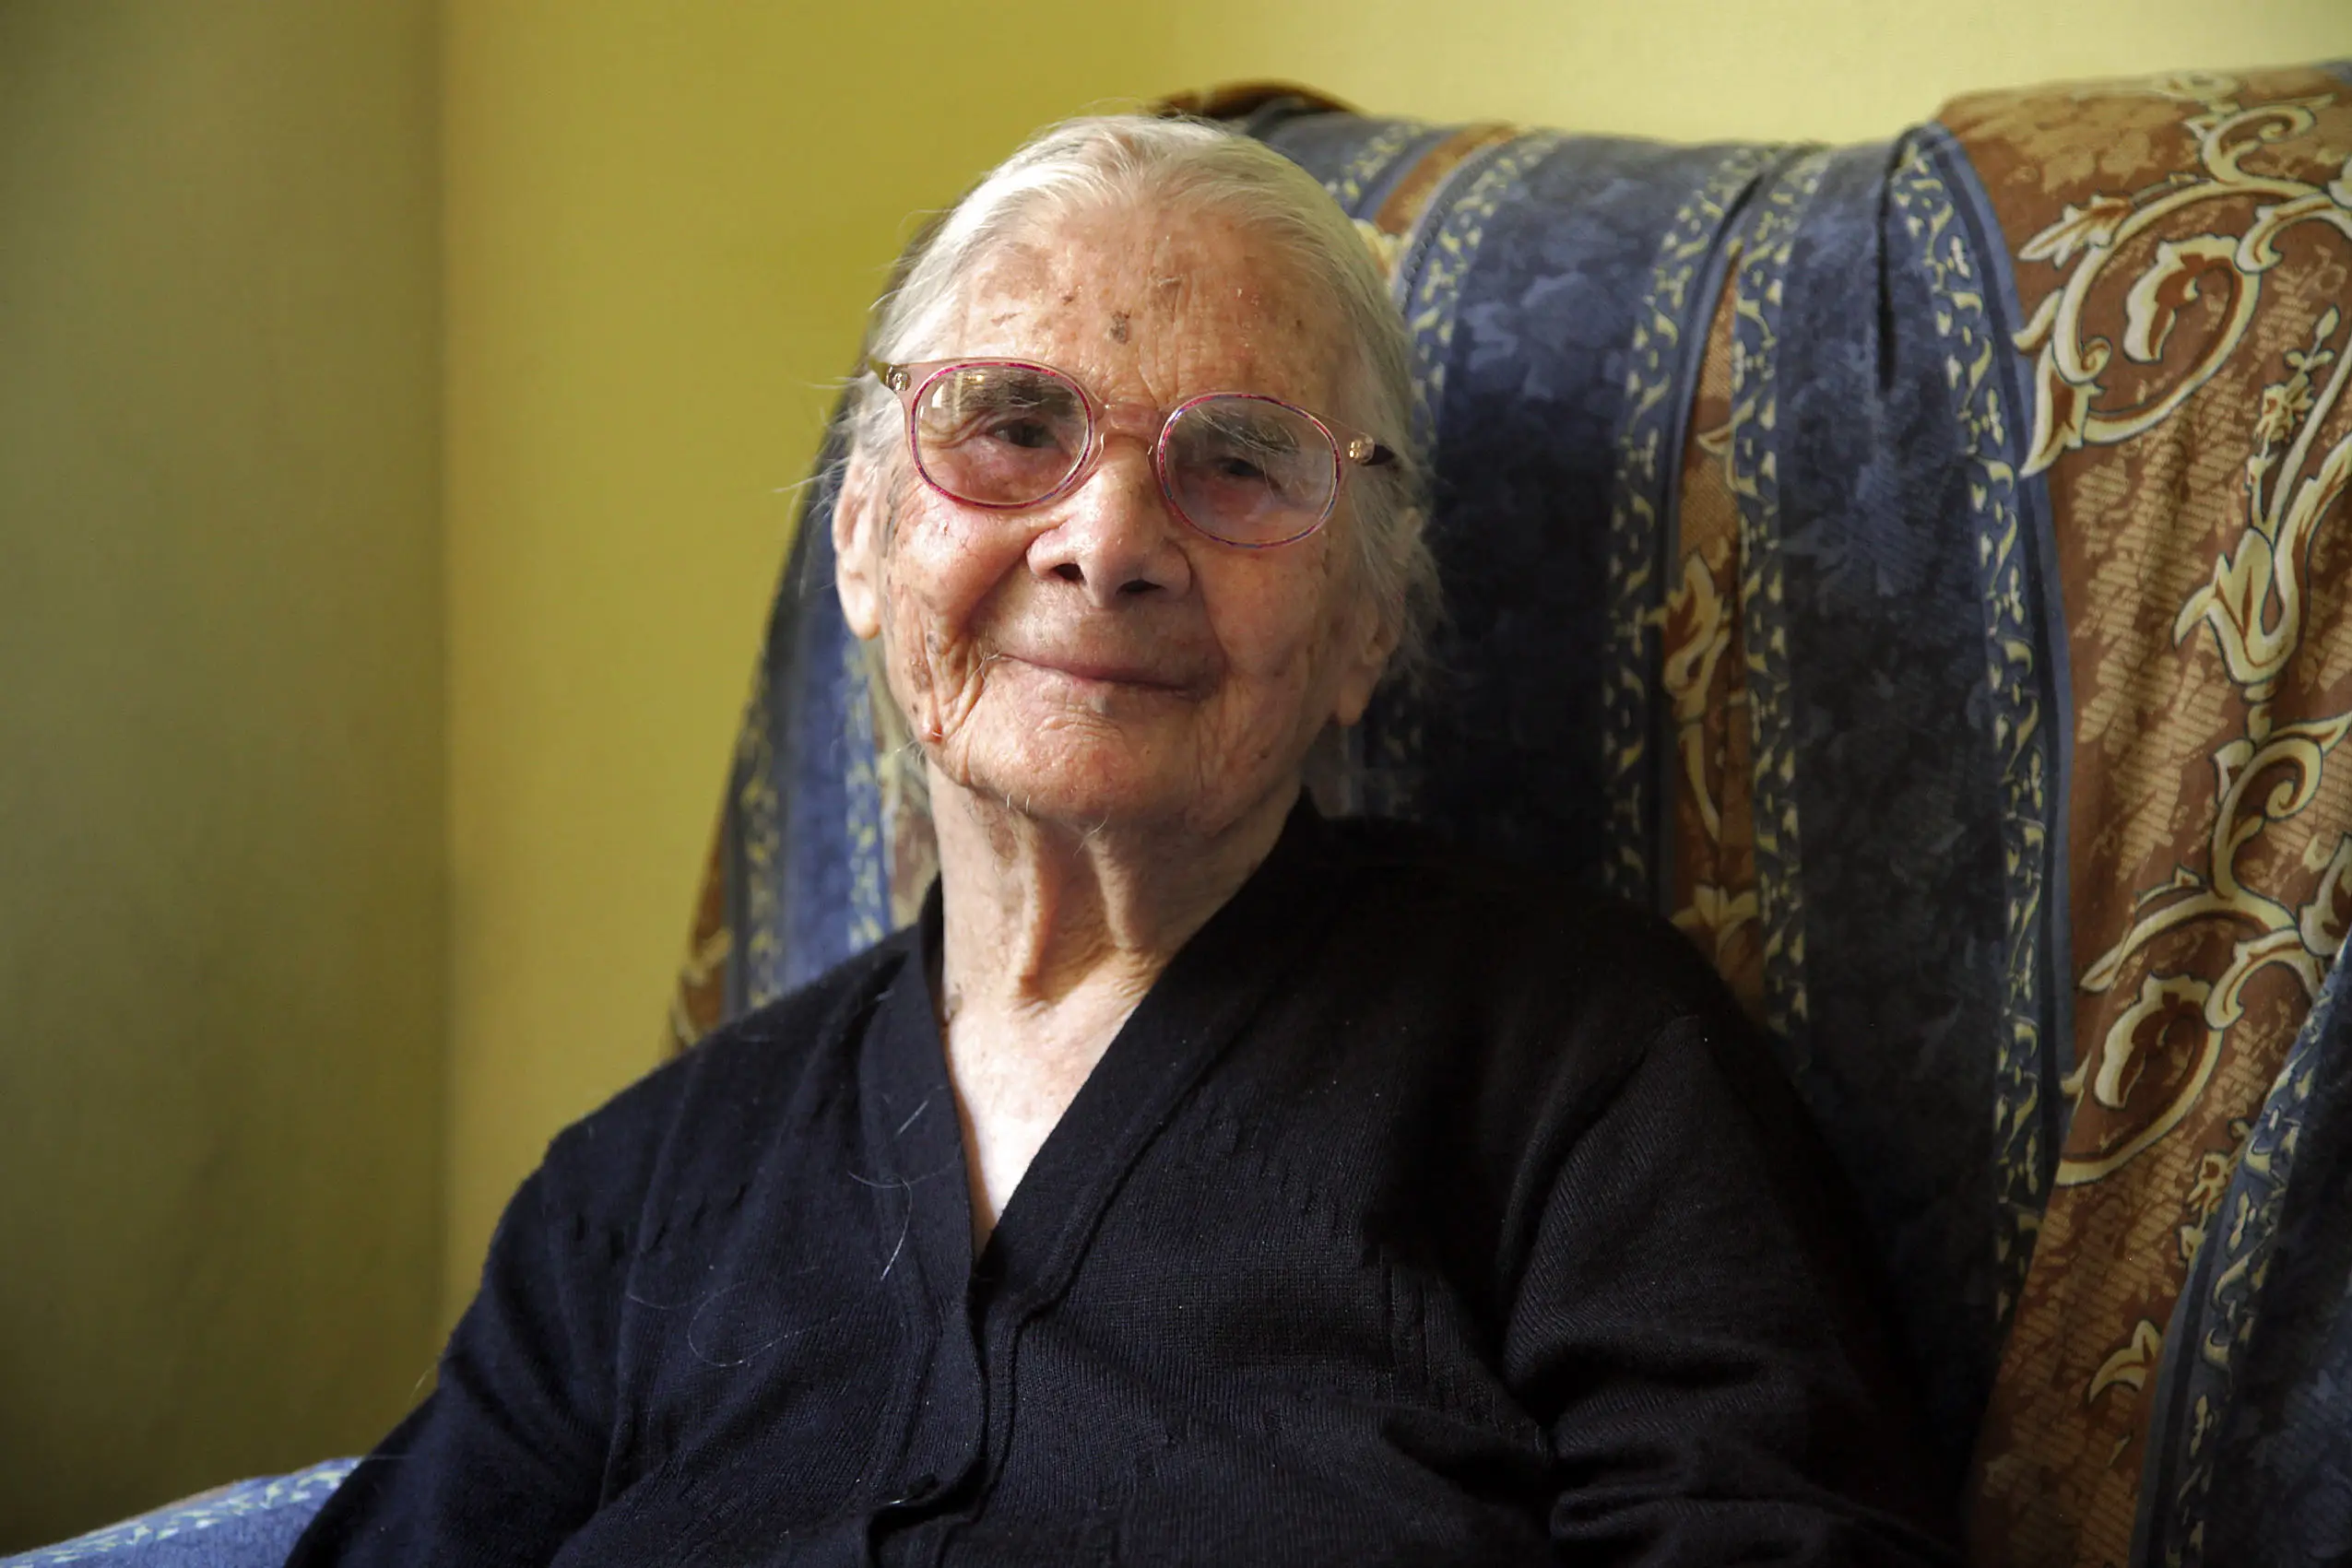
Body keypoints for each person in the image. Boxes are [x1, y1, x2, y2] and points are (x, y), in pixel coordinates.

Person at [290, 115, 1955, 1566]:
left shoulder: (1582, 1072)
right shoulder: (631, 1195)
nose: (1107, 541)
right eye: (1013, 426)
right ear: (864, 543)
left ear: (1365, 629)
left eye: (1236, 464)